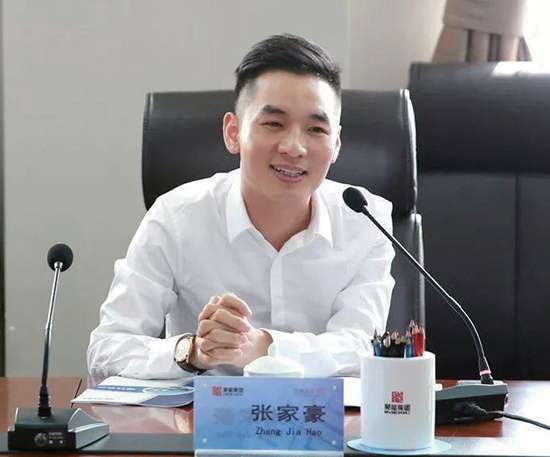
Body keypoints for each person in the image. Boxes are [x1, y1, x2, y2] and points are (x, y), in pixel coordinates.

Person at [87, 34, 395, 379]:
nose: (294, 147)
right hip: (201, 413)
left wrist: (264, 346)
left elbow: (362, 346)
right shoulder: (176, 217)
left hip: (325, 414)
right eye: (274, 124)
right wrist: (193, 351)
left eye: (316, 129)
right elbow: (107, 350)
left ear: (336, 144)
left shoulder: (366, 220)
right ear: (233, 133)